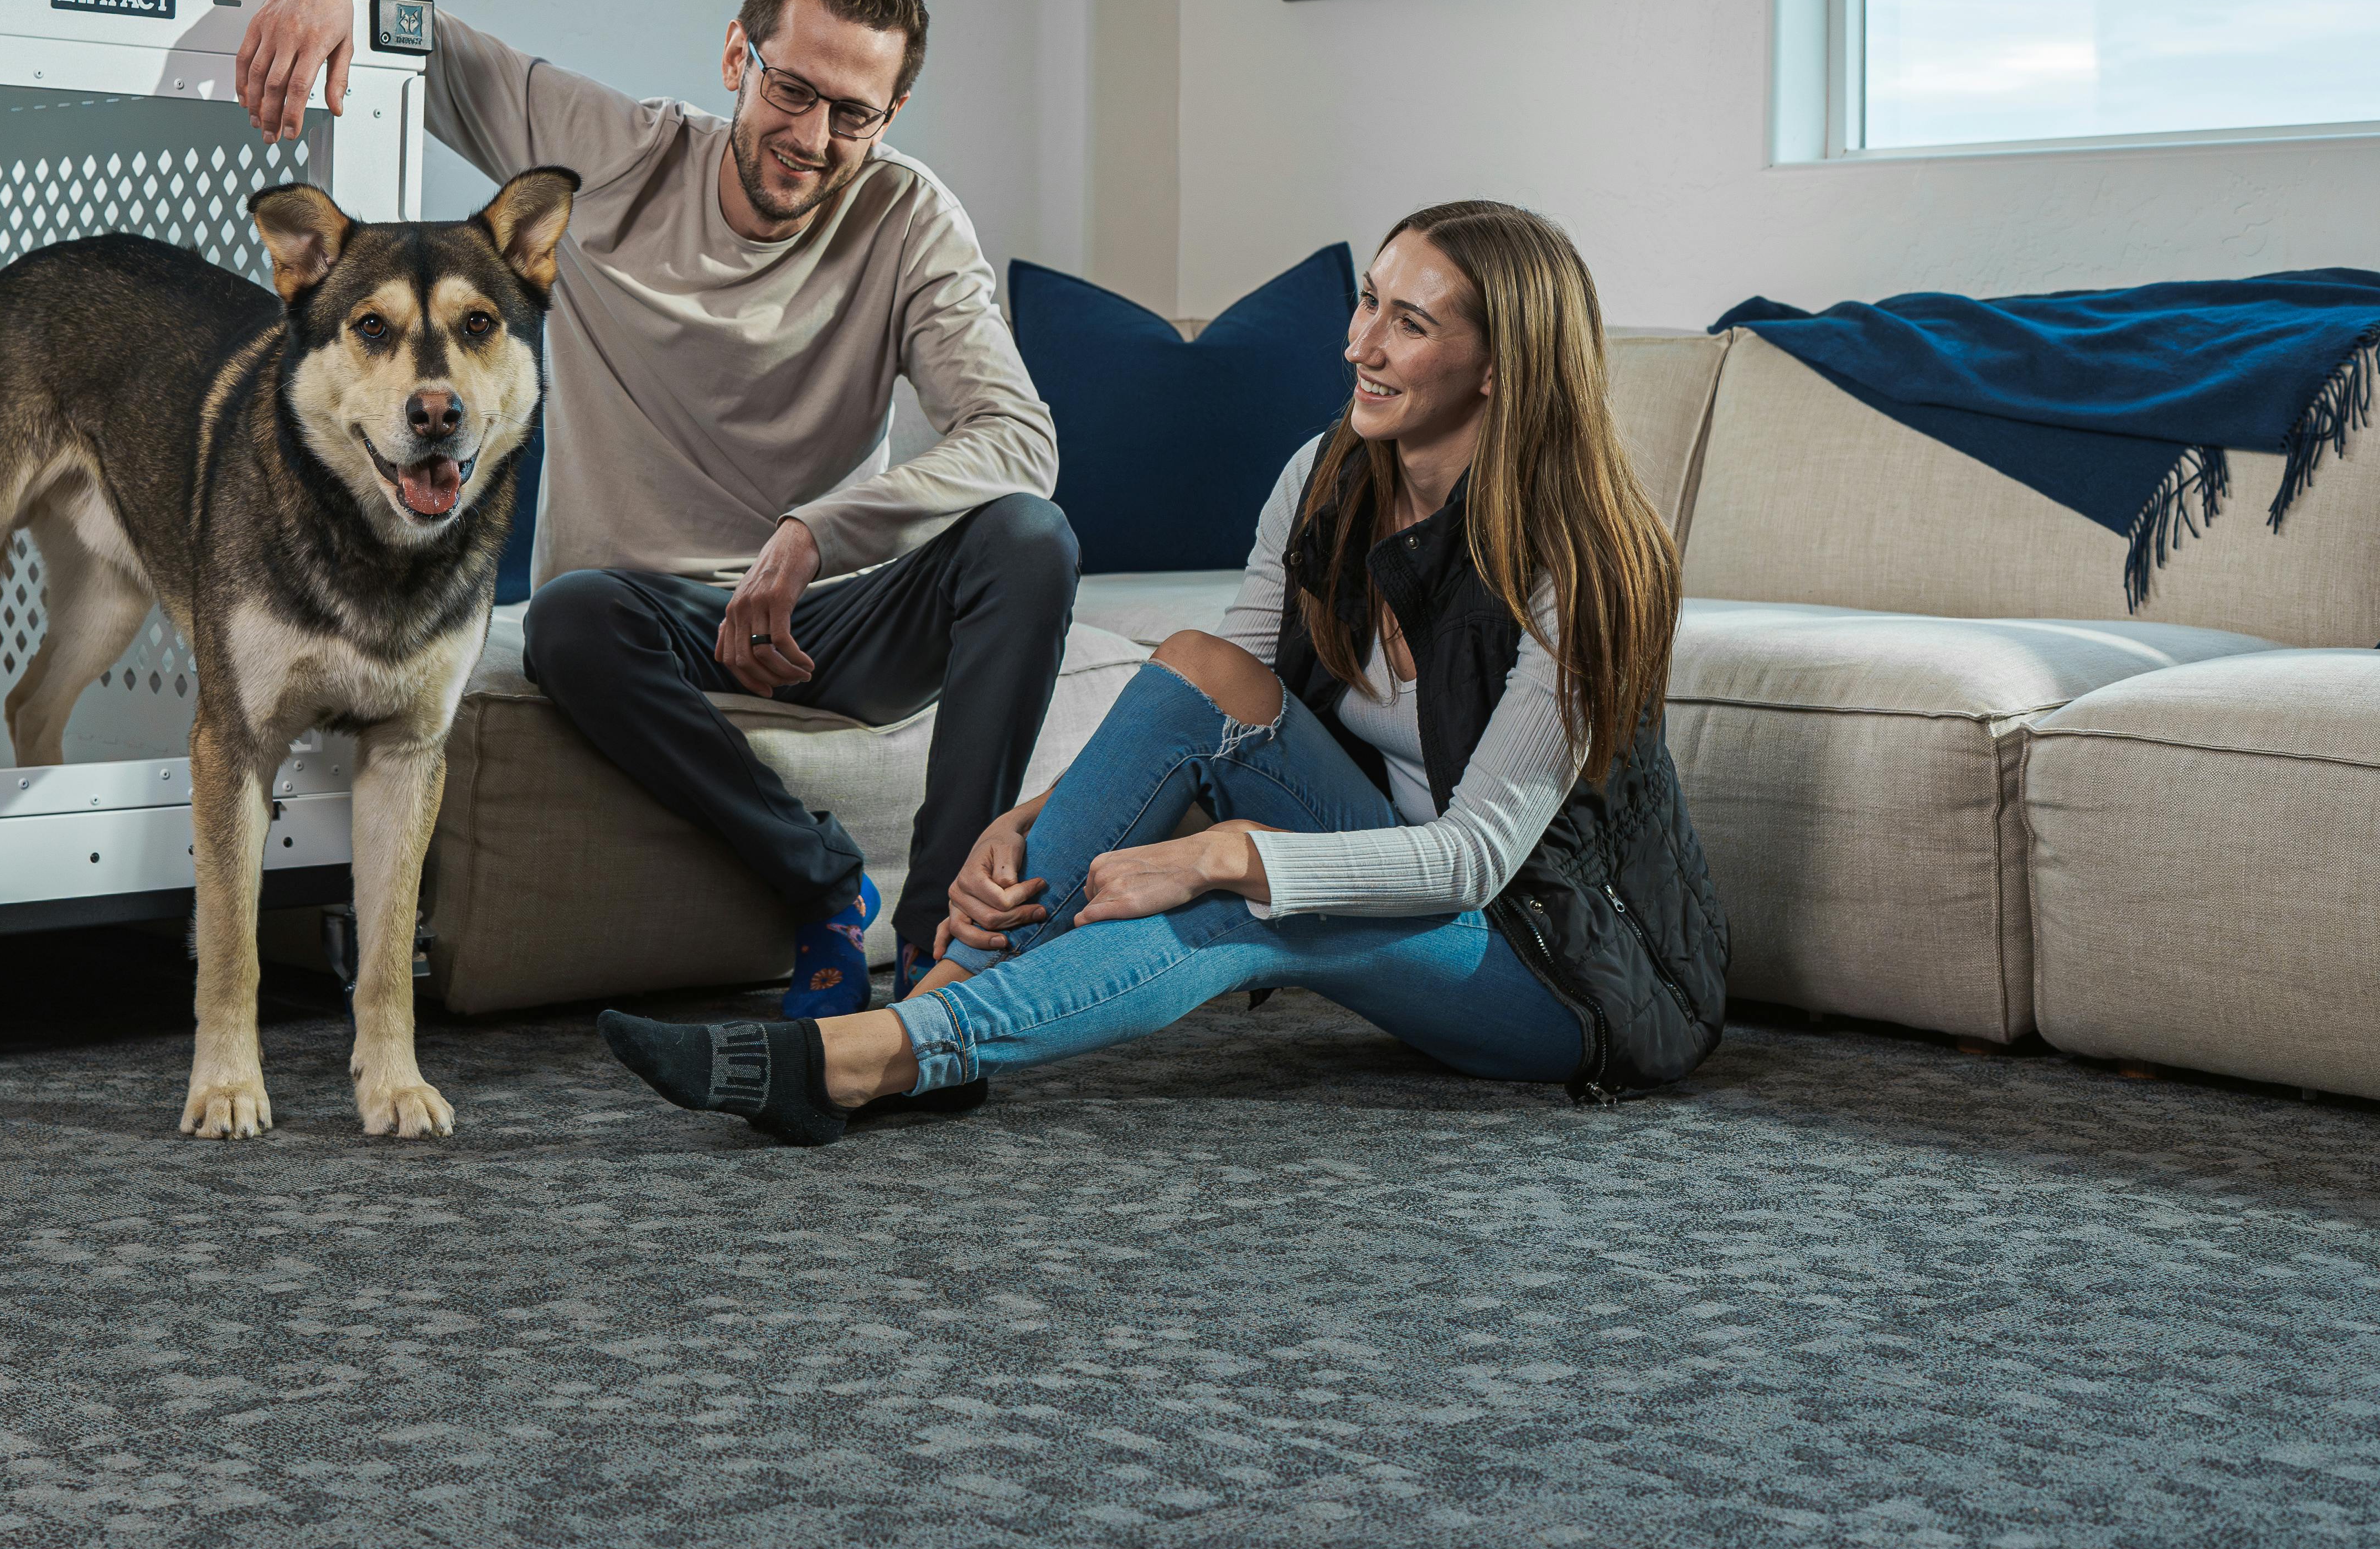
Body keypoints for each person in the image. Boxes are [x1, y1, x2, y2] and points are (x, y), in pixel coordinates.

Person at [594, 199, 1727, 1143]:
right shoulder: (1331, 472)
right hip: (1382, 867)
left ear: (1498, 367)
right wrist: (1037, 818)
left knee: (1247, 905)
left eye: (1410, 323)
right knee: (1198, 663)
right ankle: (921, 1025)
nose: (1361, 344)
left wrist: (1218, 855)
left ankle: (885, 1054)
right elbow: (1207, 702)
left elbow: (1472, 859)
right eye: (1368, 299)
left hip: (1552, 966)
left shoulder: (1586, 564)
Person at [231, 0, 1072, 1016]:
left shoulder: (909, 220)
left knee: (1030, 540)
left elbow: (1018, 438)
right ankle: (823, 880)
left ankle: (939, 949)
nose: (813, 139)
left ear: (891, 114)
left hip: (829, 617)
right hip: (648, 621)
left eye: (853, 113)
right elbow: (433, 48)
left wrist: (818, 534)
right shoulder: (618, 155)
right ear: (738, 55)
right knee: (568, 616)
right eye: (793, 89)